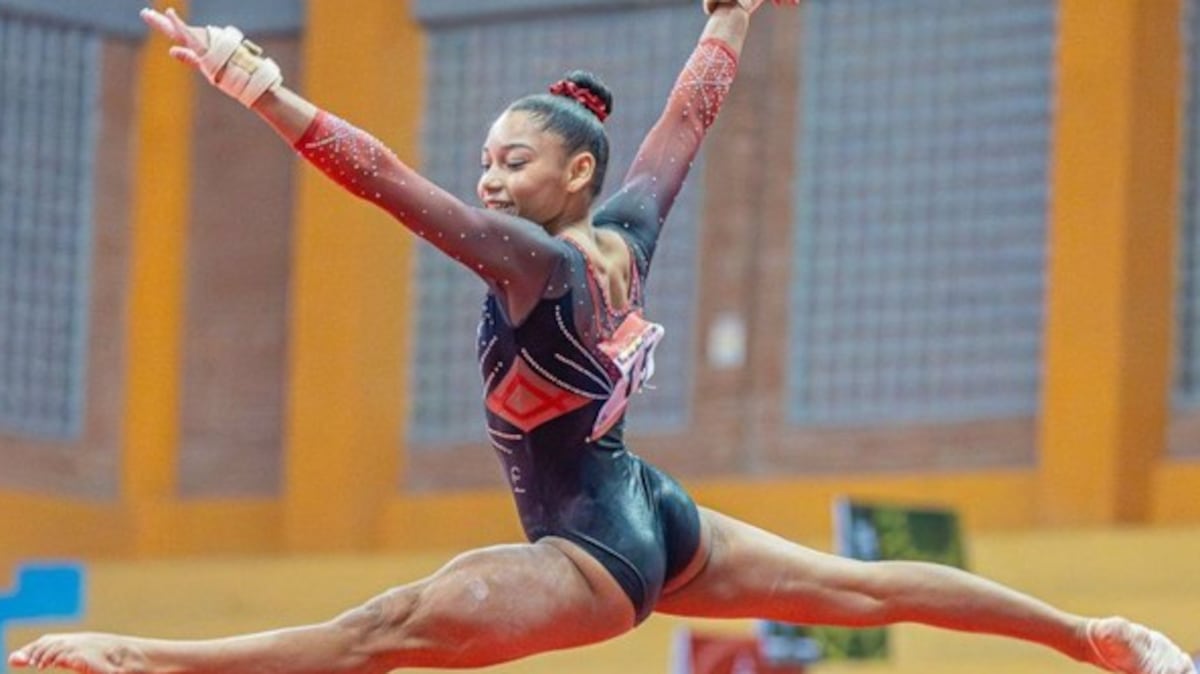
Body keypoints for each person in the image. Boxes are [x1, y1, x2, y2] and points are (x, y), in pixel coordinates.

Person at [8, 2, 1195, 673]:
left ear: (572, 172)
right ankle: (1093, 637)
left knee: (384, 629)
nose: (488, 176)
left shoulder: (534, 261)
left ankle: (144, 661)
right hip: (649, 505)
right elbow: (685, 120)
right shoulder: (627, 223)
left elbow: (389, 185)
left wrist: (258, 87)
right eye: (487, 160)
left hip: (593, 548)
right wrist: (731, 18)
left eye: (510, 160)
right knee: (879, 588)